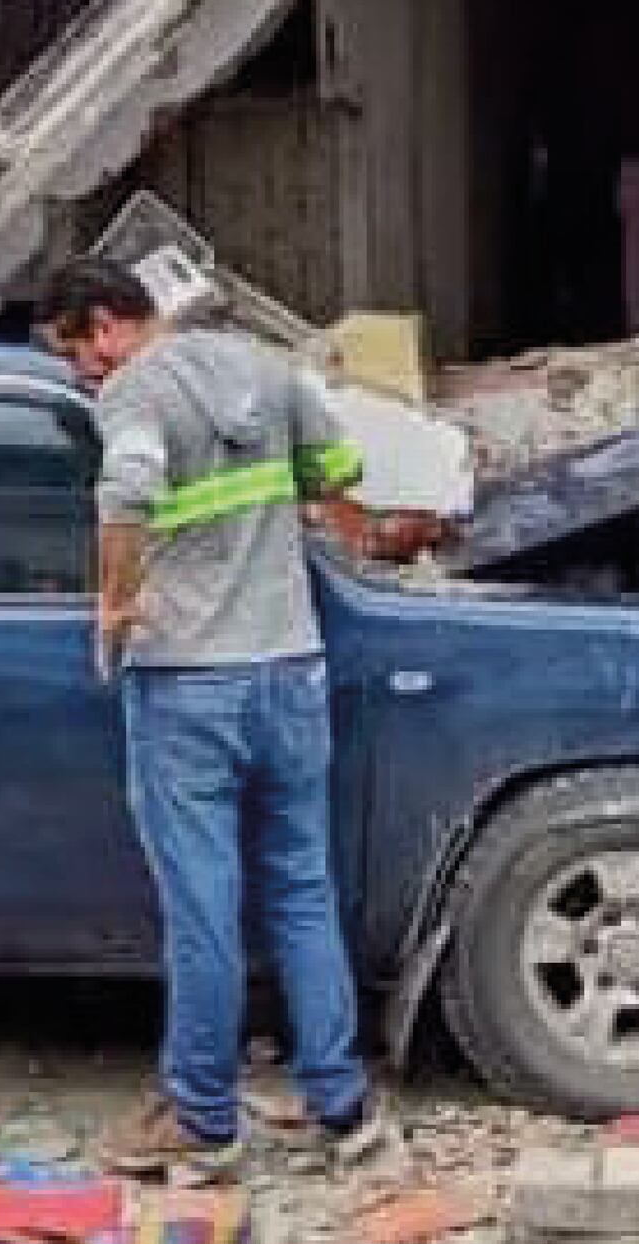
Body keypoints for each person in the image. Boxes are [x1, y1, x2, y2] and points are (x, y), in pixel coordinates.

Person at [35, 257, 400, 1178]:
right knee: (302, 892)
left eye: (77, 350)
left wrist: (114, 605)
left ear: (110, 324)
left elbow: (125, 492)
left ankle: (201, 1118)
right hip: (291, 668)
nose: (82, 372)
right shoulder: (266, 367)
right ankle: (344, 1105)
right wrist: (368, 557)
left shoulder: (136, 391)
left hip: (191, 683)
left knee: (203, 909)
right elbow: (342, 472)